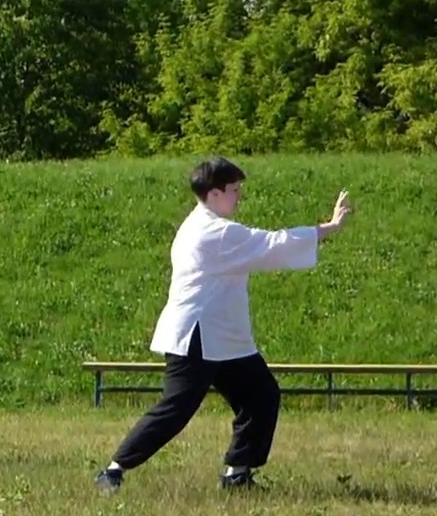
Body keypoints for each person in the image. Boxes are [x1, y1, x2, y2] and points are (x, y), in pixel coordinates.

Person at [95, 157, 352, 492]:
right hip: (197, 336)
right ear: (213, 194)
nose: (238, 196)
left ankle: (237, 474)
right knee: (176, 410)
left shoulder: (205, 225)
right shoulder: (212, 232)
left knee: (261, 396)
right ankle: (113, 471)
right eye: (233, 190)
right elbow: (272, 245)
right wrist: (329, 227)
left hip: (225, 338)